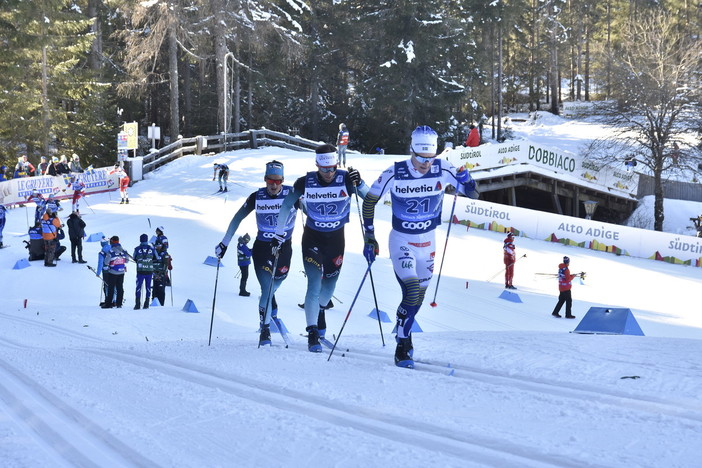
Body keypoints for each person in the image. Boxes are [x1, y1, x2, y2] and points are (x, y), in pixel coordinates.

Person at [361, 125, 479, 368]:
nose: (425, 163)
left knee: (416, 299)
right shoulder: (395, 172)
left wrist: (468, 181)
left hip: (428, 242)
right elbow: (370, 202)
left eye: (430, 158)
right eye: (420, 158)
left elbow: (473, 194)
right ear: (411, 151)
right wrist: (370, 237)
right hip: (402, 240)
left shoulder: (443, 168)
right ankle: (402, 345)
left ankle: (404, 331)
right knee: (412, 290)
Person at [272, 145, 366, 352]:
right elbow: (286, 205)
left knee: (329, 287)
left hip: (336, 239)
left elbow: (369, 199)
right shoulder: (305, 182)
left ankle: (319, 310)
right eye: (324, 170)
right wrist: (280, 232)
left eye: (332, 168)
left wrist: (360, 182)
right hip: (313, 239)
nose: (329, 173)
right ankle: (312, 331)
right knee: (314, 285)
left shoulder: (346, 179)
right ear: (317, 166)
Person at [215, 160, 300, 346]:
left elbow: (312, 212)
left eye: (278, 181)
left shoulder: (292, 195)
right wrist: (225, 243)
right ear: (265, 179)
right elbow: (237, 218)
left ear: (283, 180)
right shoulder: (257, 196)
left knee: (275, 284)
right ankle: (265, 329)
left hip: (285, 248)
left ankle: (272, 308)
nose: (274, 185)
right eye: (270, 180)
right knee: (267, 288)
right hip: (263, 248)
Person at [102, 235, 128, 308]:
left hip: (113, 271)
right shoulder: (124, 250)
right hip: (121, 271)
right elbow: (127, 260)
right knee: (120, 287)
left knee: (111, 288)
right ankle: (119, 304)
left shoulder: (111, 251)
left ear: (112, 242)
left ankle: (108, 304)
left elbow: (106, 262)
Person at [133, 234, 158, 309]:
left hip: (140, 271)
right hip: (149, 271)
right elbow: (157, 257)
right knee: (148, 287)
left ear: (140, 240)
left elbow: (134, 257)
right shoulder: (152, 249)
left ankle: (137, 304)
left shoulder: (137, 249)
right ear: (147, 240)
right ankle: (146, 304)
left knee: (138, 287)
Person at [152, 242, 172, 306]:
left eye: (159, 245)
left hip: (161, 274)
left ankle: (161, 304)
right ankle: (154, 303)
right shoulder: (154, 252)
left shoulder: (164, 253)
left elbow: (166, 264)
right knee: (155, 289)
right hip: (155, 273)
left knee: (161, 290)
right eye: (157, 245)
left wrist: (161, 273)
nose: (158, 246)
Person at [96, 237, 114, 307]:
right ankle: (114, 300)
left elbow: (100, 263)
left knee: (106, 285)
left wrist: (98, 273)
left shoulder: (102, 252)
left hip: (105, 270)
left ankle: (107, 300)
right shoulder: (113, 249)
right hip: (113, 269)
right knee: (113, 285)